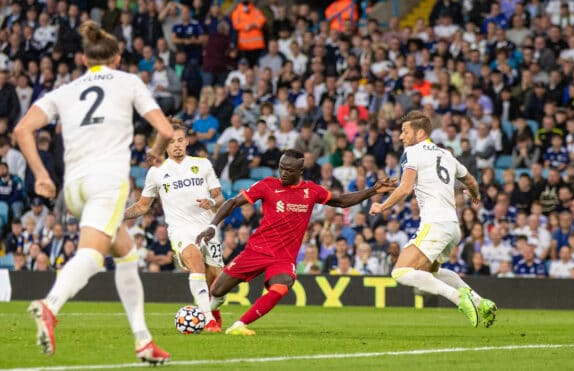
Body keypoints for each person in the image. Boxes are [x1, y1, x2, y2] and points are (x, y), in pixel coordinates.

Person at [14, 21, 172, 362]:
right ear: (116, 57)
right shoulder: (129, 81)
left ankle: (143, 341)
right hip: (107, 183)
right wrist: (157, 151)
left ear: (85, 59)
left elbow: (22, 129)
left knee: (127, 253)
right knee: (92, 256)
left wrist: (41, 175)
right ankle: (50, 305)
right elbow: (164, 128)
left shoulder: (65, 90)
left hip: (73, 189)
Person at [197, 149, 396, 335]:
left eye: (289, 170)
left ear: (300, 171)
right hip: (256, 250)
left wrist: (373, 191)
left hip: (283, 257)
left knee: (282, 285)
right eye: (281, 168)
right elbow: (233, 202)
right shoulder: (267, 185)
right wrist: (212, 226)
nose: (283, 173)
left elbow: (341, 201)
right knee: (217, 290)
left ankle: (239, 325)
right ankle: (210, 315)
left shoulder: (311, 191)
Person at [369, 111, 497, 328]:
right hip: (453, 227)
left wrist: (383, 205)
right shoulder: (446, 154)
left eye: (405, 131)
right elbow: (472, 181)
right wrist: (474, 196)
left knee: (400, 272)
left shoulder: (412, 152)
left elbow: (406, 187)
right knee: (432, 273)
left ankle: (459, 299)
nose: (401, 137)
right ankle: (479, 301)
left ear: (420, 133)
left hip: (435, 224)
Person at [124, 120, 225, 332]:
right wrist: (118, 216)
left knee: (219, 284)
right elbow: (143, 206)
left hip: (207, 229)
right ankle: (209, 320)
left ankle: (213, 308)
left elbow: (220, 199)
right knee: (195, 259)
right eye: (171, 141)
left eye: (180, 140)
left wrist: (212, 202)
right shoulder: (157, 172)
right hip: (180, 230)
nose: (176, 145)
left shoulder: (203, 164)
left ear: (187, 141)